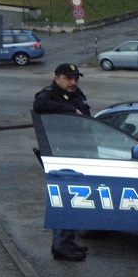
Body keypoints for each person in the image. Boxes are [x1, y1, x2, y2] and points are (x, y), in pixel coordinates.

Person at [33, 63, 90, 262]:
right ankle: (61, 247)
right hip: (60, 155)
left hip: (76, 153)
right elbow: (39, 105)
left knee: (74, 201)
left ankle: (67, 242)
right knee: (64, 202)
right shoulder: (48, 95)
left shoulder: (77, 94)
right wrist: (70, 111)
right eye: (68, 78)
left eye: (76, 78)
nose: (73, 82)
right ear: (57, 78)